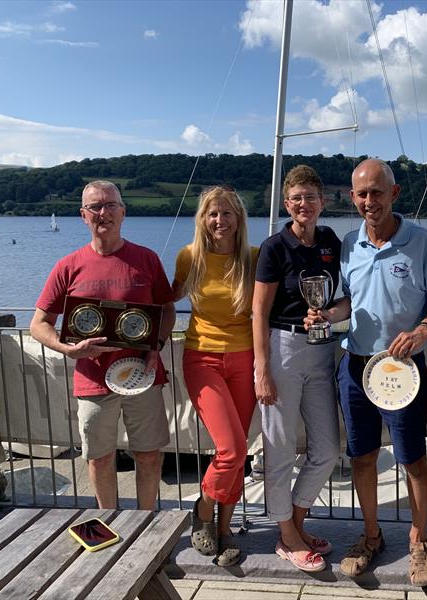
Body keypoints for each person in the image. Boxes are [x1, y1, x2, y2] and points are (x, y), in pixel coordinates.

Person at [305, 158, 427, 586]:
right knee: (362, 457)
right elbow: (348, 301)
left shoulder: (421, 242)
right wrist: (328, 313)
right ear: (352, 198)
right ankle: (371, 536)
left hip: (403, 369)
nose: (369, 201)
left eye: (377, 193)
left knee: (413, 459)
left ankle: (419, 541)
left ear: (394, 194)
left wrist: (423, 330)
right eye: (362, 194)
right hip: (355, 366)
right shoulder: (348, 244)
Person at [30, 180, 175, 511]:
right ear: (83, 215)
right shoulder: (68, 266)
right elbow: (38, 324)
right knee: (99, 459)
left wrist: (158, 344)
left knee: (149, 456)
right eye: (95, 206)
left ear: (123, 212)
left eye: (111, 205)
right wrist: (68, 350)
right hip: (93, 381)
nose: (104, 212)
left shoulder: (147, 259)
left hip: (143, 374)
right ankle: (109, 523)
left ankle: (146, 522)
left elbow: (166, 310)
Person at [252, 165, 341, 573]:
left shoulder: (330, 242)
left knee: (327, 450)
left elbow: (344, 300)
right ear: (286, 204)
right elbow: (259, 311)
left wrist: (328, 314)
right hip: (282, 347)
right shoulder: (274, 247)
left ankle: (297, 525)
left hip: (321, 348)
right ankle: (287, 537)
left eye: (310, 197)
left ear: (322, 202)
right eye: (296, 198)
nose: (303, 204)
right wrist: (262, 369)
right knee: (280, 448)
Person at [173, 185, 259, 567]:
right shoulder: (189, 257)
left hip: (244, 359)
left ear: (238, 218)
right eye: (212, 214)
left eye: (226, 213)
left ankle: (224, 533)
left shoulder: (254, 259)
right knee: (232, 449)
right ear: (202, 220)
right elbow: (164, 298)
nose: (219, 220)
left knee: (237, 452)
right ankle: (203, 510)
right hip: (202, 359)